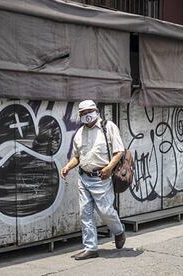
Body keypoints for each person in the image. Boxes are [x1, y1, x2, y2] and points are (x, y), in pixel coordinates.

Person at [61, 100, 126, 260]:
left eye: (89, 111)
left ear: (96, 111)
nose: (86, 115)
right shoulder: (79, 133)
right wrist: (68, 167)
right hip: (83, 178)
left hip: (101, 178)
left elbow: (119, 151)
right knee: (85, 213)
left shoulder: (108, 127)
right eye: (83, 113)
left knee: (105, 211)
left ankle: (119, 231)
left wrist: (109, 168)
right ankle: (90, 248)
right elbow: (77, 156)